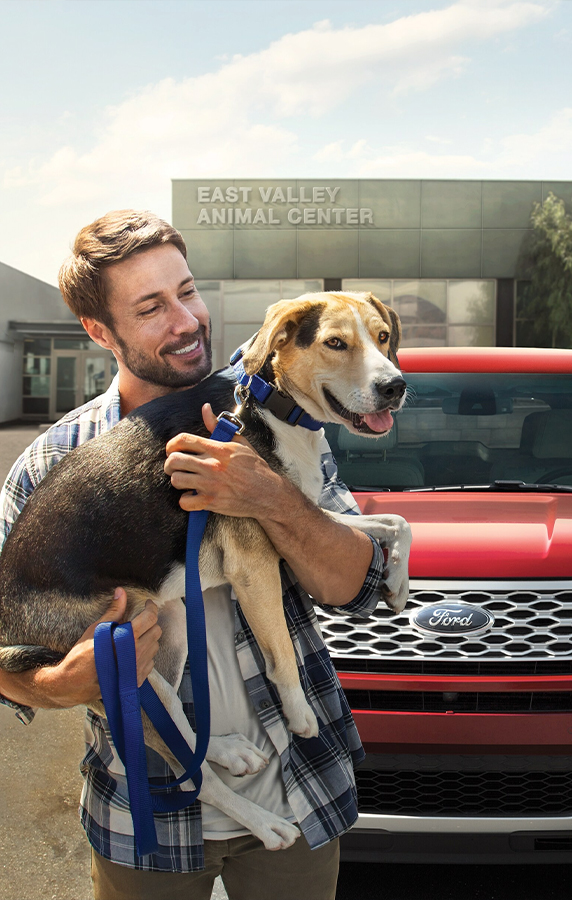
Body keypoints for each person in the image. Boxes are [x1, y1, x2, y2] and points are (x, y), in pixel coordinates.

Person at [0, 210, 386, 899]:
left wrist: (271, 497)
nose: (186, 320)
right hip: (142, 815)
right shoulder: (50, 467)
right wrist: (61, 685)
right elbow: (9, 638)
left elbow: (352, 583)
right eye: (151, 307)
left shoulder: (284, 414)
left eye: (187, 291)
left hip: (298, 788)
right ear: (99, 331)